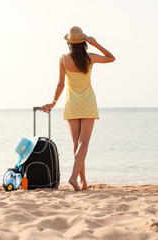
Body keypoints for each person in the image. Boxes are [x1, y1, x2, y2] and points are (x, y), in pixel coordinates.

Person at [40, 26, 115, 191]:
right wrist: (95, 43)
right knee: (84, 143)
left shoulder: (63, 59)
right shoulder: (90, 58)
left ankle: (83, 181)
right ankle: (74, 177)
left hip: (71, 103)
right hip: (88, 103)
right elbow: (111, 58)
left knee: (76, 143)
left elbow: (60, 84)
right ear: (84, 43)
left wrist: (53, 102)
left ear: (69, 43)